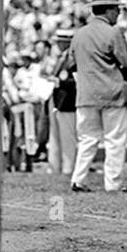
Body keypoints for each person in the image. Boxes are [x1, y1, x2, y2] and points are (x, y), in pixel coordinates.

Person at [68, 0, 127, 193]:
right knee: (114, 140)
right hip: (112, 92)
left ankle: (78, 179)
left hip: (86, 94)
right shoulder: (113, 32)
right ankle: (112, 184)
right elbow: (126, 62)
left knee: (87, 139)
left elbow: (70, 64)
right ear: (109, 10)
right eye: (117, 10)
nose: (119, 14)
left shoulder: (79, 34)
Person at [48, 26, 78, 179]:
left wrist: (59, 82)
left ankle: (68, 168)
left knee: (68, 137)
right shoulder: (60, 58)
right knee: (55, 136)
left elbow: (78, 81)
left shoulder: (73, 59)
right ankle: (55, 166)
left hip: (67, 102)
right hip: (57, 100)